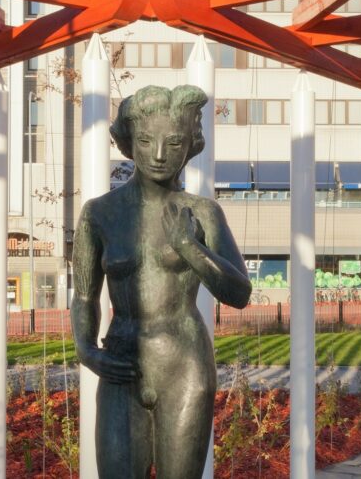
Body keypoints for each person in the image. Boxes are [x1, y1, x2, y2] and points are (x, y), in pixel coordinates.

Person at [71, 85, 252, 479]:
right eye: (145, 141)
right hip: (122, 363)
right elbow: (84, 295)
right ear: (127, 142)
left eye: (173, 143)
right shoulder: (99, 214)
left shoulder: (202, 212)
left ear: (190, 145)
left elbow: (239, 293)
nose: (158, 155)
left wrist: (190, 248)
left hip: (184, 366)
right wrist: (86, 349)